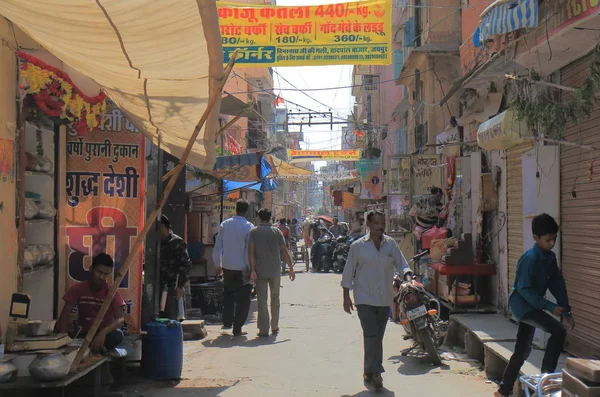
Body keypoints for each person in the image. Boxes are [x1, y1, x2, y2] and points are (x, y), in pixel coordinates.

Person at [494, 213, 574, 397]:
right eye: (548, 240)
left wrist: (566, 309)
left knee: (522, 350)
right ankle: (546, 384)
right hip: (522, 306)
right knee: (558, 331)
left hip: (533, 305)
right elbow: (524, 290)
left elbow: (557, 283)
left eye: (554, 239)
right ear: (536, 238)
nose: (552, 243)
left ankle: (503, 391)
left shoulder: (550, 258)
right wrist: (549, 306)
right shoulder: (529, 259)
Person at [341, 210, 409, 391]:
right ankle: (377, 372)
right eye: (376, 223)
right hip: (364, 297)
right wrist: (346, 296)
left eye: (382, 222)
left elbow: (401, 263)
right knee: (371, 334)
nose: (380, 226)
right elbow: (348, 271)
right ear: (368, 225)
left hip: (384, 297)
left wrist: (407, 274)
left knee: (376, 337)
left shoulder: (390, 244)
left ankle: (368, 371)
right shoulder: (358, 246)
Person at [56, 253, 125, 354]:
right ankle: (95, 349)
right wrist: (63, 341)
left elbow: (121, 319)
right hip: (84, 332)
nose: (102, 277)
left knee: (118, 335)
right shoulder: (78, 288)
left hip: (105, 333)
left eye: (106, 274)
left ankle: (93, 349)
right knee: (61, 333)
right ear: (91, 269)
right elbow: (64, 316)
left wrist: (103, 332)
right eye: (99, 272)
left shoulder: (111, 291)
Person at [248, 208, 296, 337]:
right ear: (270, 218)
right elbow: (284, 251)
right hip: (275, 270)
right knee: (275, 298)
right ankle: (274, 327)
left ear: (258, 217)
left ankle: (263, 330)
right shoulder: (277, 232)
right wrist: (291, 268)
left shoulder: (253, 232)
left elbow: (251, 252)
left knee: (262, 300)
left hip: (260, 270)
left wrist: (252, 270)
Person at [213, 199, 254, 336]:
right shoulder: (249, 226)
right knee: (243, 298)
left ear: (235, 209)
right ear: (246, 210)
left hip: (228, 266)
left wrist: (217, 264)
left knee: (228, 294)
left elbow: (218, 246)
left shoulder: (225, 224)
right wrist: (251, 268)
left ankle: (227, 322)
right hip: (243, 267)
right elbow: (249, 249)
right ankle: (237, 328)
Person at [159, 214, 192, 320]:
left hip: (172, 286)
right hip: (158, 286)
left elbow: (186, 265)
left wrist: (180, 286)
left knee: (173, 318)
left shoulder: (176, 242)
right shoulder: (157, 242)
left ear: (162, 227)